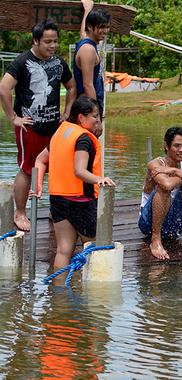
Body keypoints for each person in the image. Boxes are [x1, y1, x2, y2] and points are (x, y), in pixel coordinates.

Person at [0, 19, 76, 232]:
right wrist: (13, 117)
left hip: (54, 126)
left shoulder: (59, 62)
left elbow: (71, 87)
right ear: (35, 41)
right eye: (47, 42)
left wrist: (68, 112)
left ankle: (56, 210)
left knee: (57, 167)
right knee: (27, 169)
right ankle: (20, 212)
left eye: (55, 41)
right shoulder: (22, 61)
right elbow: (4, 88)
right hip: (30, 126)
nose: (52, 46)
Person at [33, 96, 115, 273]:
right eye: (95, 116)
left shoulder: (60, 132)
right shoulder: (83, 139)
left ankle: (59, 295)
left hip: (57, 200)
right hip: (81, 202)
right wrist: (99, 179)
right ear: (81, 117)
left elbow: (40, 160)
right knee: (94, 249)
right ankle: (96, 296)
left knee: (63, 251)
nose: (97, 121)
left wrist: (38, 186)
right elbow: (80, 171)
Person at [138, 126, 182, 260]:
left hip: (174, 226)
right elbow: (167, 184)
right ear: (166, 146)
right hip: (149, 224)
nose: (181, 150)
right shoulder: (155, 164)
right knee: (164, 189)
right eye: (177, 146)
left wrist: (176, 172)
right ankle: (156, 240)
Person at [74, 0, 111, 114]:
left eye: (107, 27)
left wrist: (87, 10)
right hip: (87, 109)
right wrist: (96, 116)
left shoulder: (86, 42)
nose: (105, 31)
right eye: (101, 27)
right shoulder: (88, 50)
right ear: (90, 27)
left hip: (88, 106)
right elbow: (88, 85)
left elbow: (83, 33)